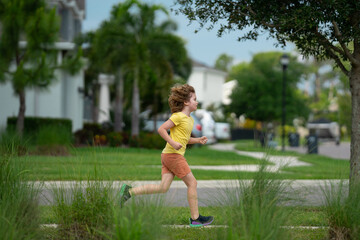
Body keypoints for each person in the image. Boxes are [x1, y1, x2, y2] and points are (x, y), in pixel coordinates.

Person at [119, 84, 214, 227]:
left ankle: (129, 192)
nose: (197, 102)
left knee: (163, 188)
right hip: (173, 155)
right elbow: (161, 129)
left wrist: (198, 140)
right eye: (195, 99)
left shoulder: (190, 120)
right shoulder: (178, 116)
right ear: (186, 102)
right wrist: (172, 142)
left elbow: (184, 139)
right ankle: (195, 218)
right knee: (192, 183)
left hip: (168, 155)